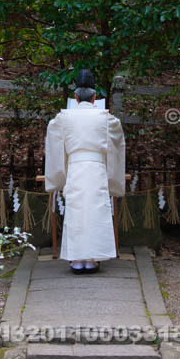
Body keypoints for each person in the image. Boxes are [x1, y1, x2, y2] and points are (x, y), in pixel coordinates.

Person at [44, 69, 125, 273]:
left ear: (75, 97)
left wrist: (58, 178)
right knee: (96, 212)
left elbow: (55, 147)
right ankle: (93, 259)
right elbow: (116, 146)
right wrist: (111, 175)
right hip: (97, 169)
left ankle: (76, 259)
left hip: (75, 169)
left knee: (76, 212)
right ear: (95, 97)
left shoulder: (63, 119)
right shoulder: (107, 119)